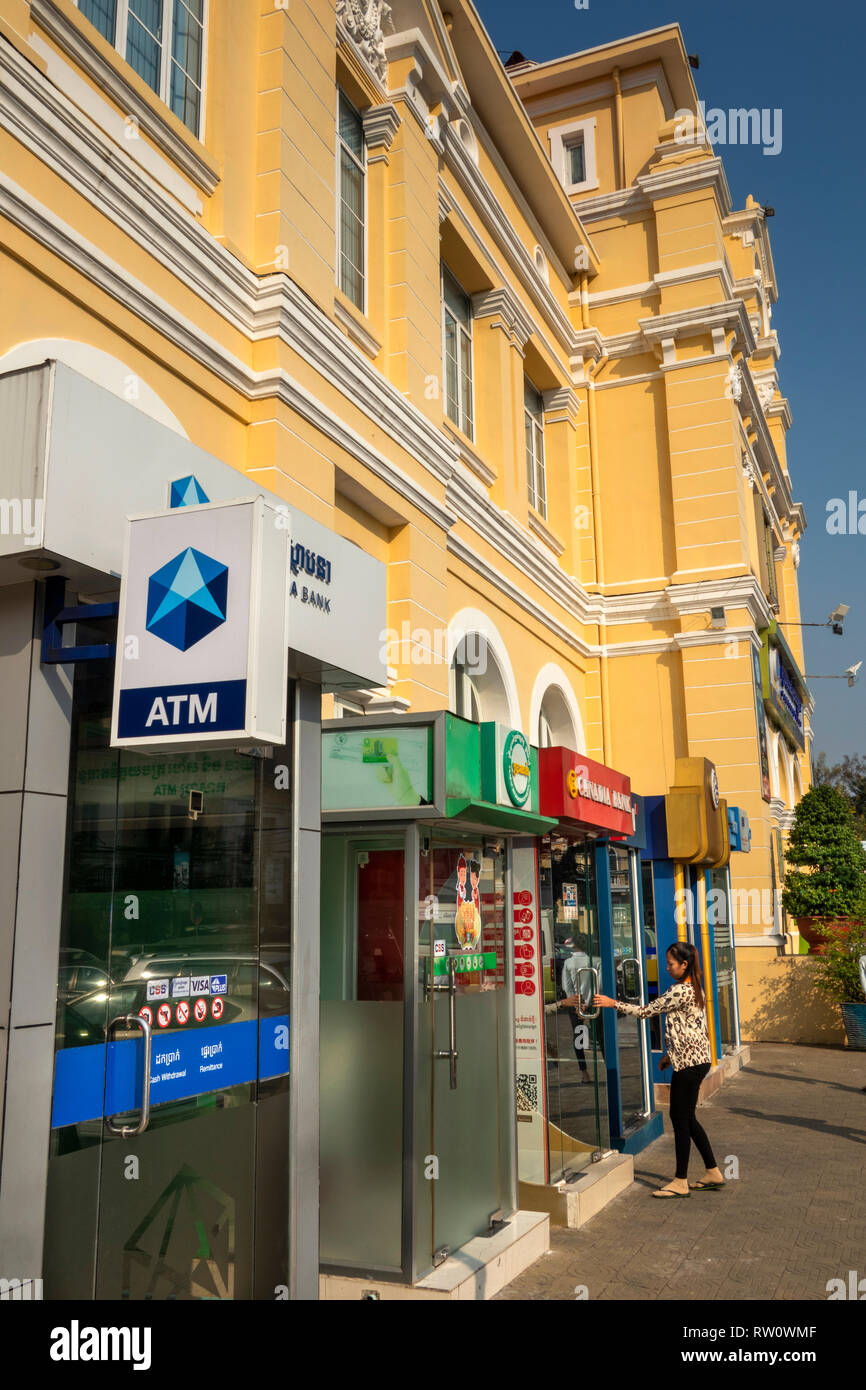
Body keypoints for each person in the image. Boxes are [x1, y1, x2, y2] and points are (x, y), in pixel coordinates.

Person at [564, 941, 725, 1197]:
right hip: (695, 1059)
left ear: (684, 965)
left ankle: (680, 1181)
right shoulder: (694, 988)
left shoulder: (680, 991)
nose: (667, 967)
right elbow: (692, 1028)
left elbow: (645, 1012)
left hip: (691, 1063)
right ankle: (713, 1171)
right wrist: (671, 1056)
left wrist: (611, 1003)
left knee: (680, 1119)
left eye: (671, 964)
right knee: (688, 1118)